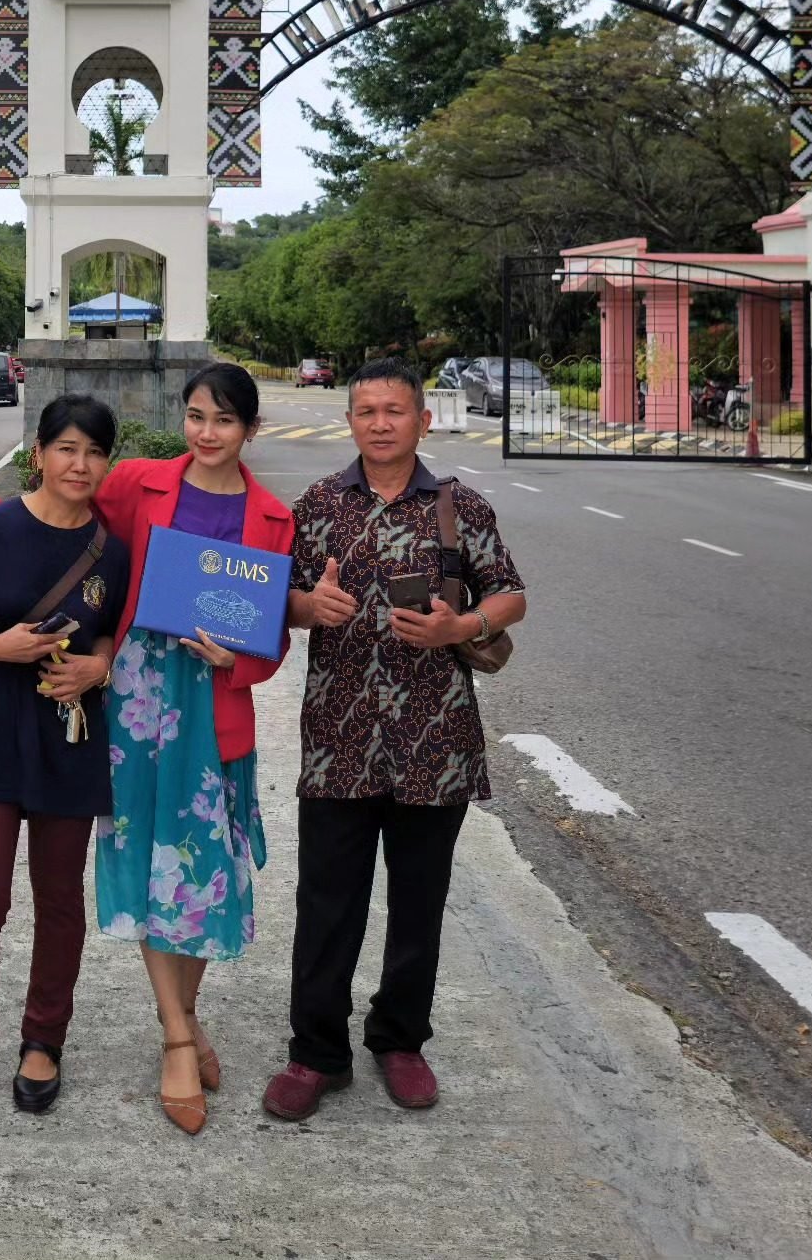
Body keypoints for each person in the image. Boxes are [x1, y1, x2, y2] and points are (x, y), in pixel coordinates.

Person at [0, 363, 294, 1135]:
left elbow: (267, 642)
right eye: (197, 416)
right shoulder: (139, 481)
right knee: (147, 865)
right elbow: (51, 503)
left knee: (205, 870)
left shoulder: (272, 518)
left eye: (225, 421)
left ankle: (187, 1016)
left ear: (250, 430)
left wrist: (237, 662)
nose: (207, 433)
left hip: (216, 707)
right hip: (139, 704)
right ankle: (177, 1036)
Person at [261, 356, 526, 1121]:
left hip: (435, 737)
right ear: (349, 421)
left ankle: (400, 1039)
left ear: (423, 420)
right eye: (367, 411)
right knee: (327, 902)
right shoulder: (316, 507)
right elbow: (273, 597)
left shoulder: (459, 507)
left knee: (419, 902)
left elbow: (509, 593)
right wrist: (311, 608)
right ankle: (316, 1053)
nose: (381, 422)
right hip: (338, 737)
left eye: (395, 410)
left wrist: (462, 624)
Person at [0, 393, 130, 1121]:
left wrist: (98, 668)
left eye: (96, 451)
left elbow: (109, 633)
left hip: (67, 732)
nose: (81, 464)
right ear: (37, 454)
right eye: (67, 448)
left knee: (60, 901)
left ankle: (45, 1038)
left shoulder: (113, 549)